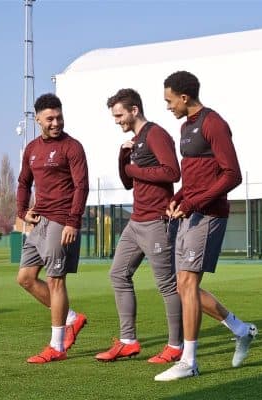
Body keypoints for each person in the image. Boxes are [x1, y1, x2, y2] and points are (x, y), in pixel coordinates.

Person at [154, 71, 257, 381]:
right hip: (190, 213)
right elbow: (194, 177)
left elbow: (232, 175)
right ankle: (241, 330)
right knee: (186, 286)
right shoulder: (186, 127)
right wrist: (178, 197)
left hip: (209, 215)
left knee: (186, 284)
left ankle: (189, 362)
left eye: (169, 101)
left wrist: (193, 203)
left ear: (184, 98)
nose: (168, 107)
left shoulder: (214, 123)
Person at [95, 88, 184, 363]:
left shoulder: (156, 134)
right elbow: (127, 182)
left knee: (167, 285)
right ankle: (128, 341)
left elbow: (173, 172)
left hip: (157, 221)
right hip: (136, 221)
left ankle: (176, 346)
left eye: (119, 114)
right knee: (118, 274)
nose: (117, 120)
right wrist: (123, 158)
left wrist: (134, 169)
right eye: (114, 116)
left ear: (134, 110)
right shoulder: (135, 140)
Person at [16, 93, 89, 363]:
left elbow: (82, 186)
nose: (56, 122)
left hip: (61, 220)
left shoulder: (72, 147)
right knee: (25, 278)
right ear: (37, 120)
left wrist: (73, 221)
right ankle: (71, 318)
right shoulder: (32, 149)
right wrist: (23, 212)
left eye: (59, 117)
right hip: (38, 222)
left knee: (55, 281)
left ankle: (56, 346)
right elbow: (23, 182)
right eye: (50, 118)